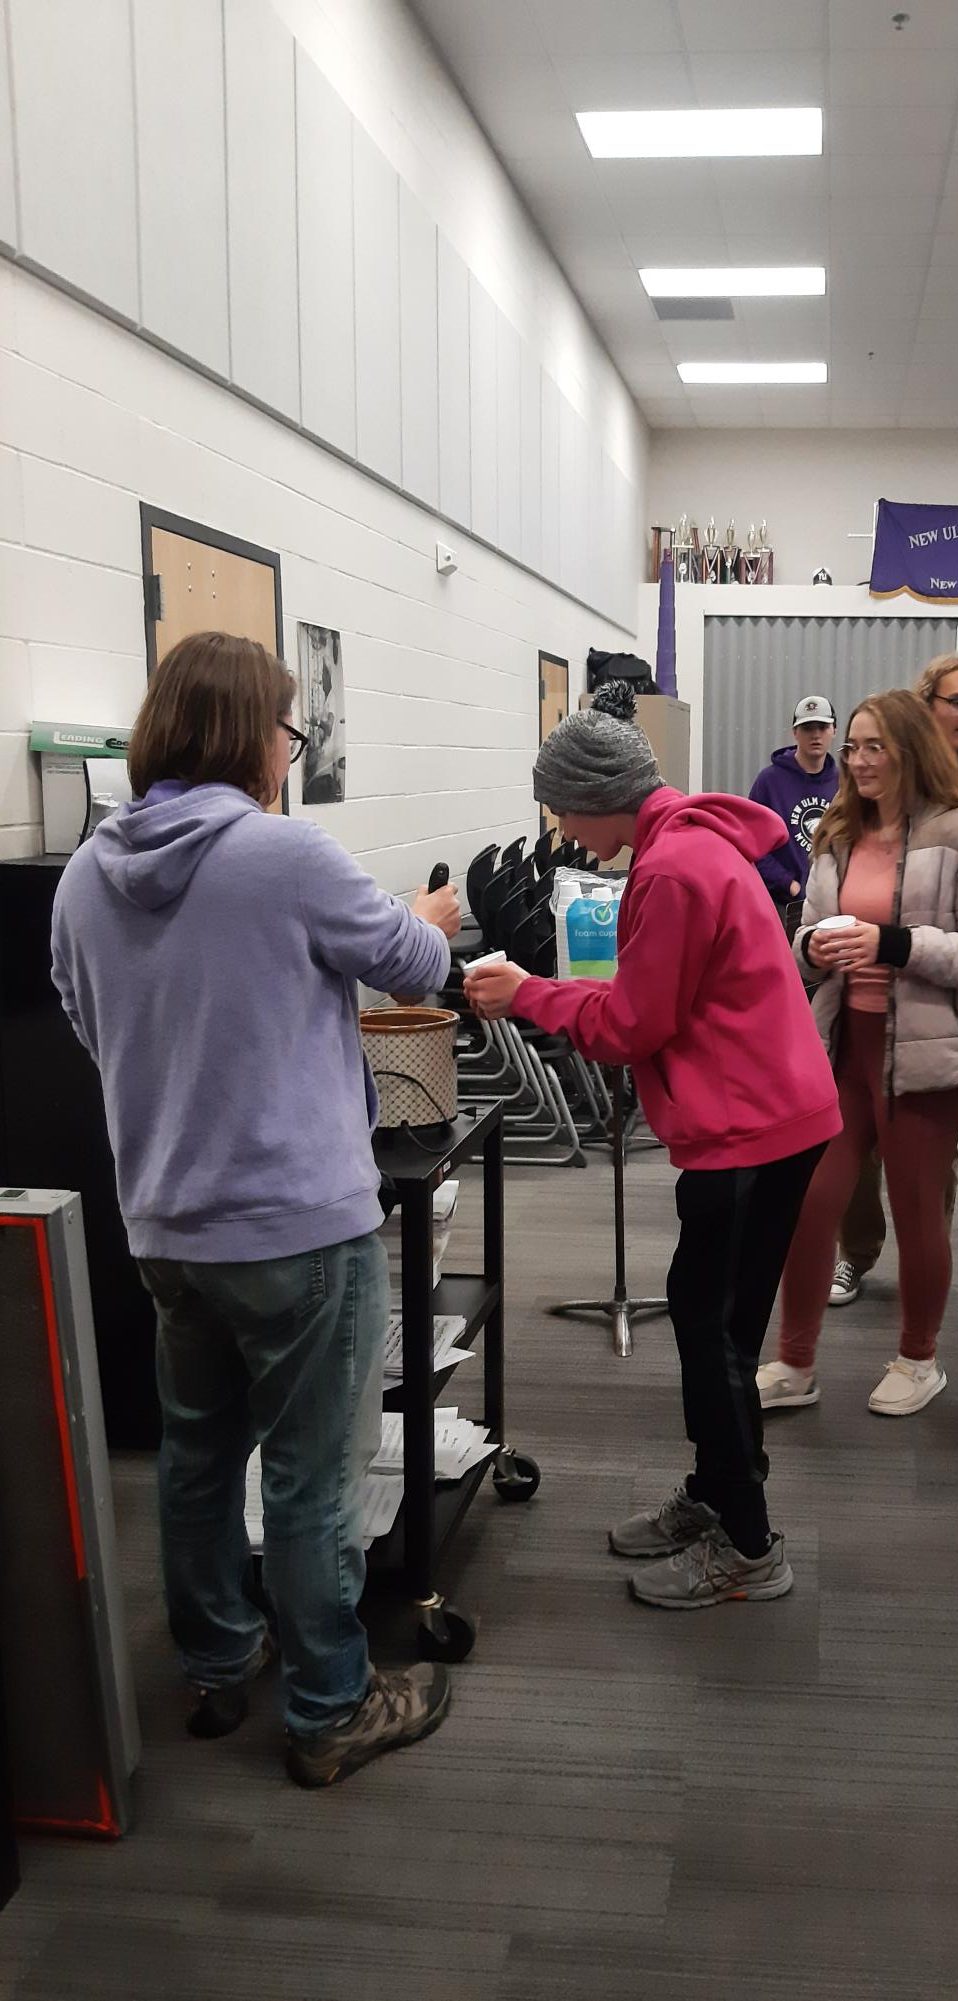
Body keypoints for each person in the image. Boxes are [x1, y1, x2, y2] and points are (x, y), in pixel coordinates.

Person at [50, 631, 461, 1788]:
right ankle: (331, 1704)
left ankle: (219, 1662)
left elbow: (84, 1017)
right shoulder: (283, 854)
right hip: (297, 1227)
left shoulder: (88, 871)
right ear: (251, 737)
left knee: (194, 1457)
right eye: (289, 728)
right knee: (311, 1473)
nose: (293, 748)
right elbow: (411, 969)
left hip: (166, 1224)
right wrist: (426, 914)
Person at [464, 685, 840, 1609]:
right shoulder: (692, 840)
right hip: (773, 1114)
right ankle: (718, 1493)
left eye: (560, 808)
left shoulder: (671, 870)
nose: (559, 827)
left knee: (706, 1329)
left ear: (598, 797)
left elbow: (634, 1023)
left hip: (745, 1125)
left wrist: (526, 994)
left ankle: (750, 1548)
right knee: (725, 1328)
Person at [756, 688, 958, 1417]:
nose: (861, 760)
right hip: (843, 1046)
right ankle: (795, 1360)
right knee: (812, 1205)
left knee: (915, 1208)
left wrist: (893, 944)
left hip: (930, 1055)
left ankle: (918, 1356)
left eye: (876, 746)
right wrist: (812, 948)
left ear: (912, 750)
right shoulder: (839, 833)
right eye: (855, 747)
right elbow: (805, 942)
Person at [829, 652, 958, 1308]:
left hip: (940, 988)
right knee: (848, 1151)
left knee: (926, 1158)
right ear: (926, 709)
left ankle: (926, 1268)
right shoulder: (883, 785)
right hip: (861, 996)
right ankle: (856, 1254)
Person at [747, 694, 840, 935]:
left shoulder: (845, 784)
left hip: (832, 909)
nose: (816, 735)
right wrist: (789, 884)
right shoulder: (769, 782)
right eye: (807, 728)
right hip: (783, 907)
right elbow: (751, 844)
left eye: (822, 727)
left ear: (834, 730)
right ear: (795, 733)